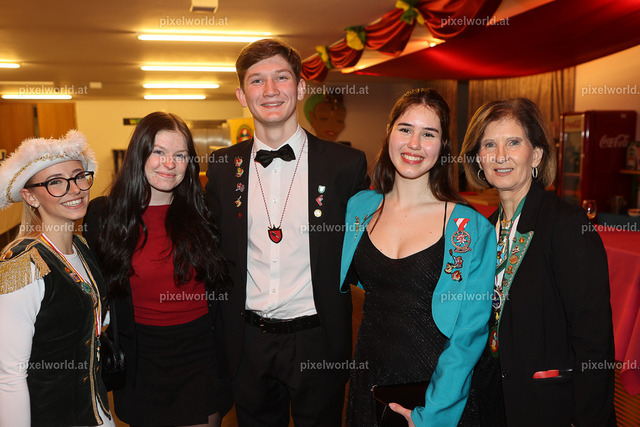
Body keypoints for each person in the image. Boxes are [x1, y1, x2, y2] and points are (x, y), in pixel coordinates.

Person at [205, 38, 370, 426]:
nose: (270, 90)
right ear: (242, 96)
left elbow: (368, 245)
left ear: (300, 88)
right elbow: (209, 249)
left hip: (318, 338)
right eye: (256, 80)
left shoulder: (345, 165)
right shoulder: (222, 166)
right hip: (247, 341)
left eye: (281, 77)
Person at [340, 88, 495, 426]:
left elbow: (469, 335)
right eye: (405, 129)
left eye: (429, 134)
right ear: (389, 132)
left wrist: (434, 414)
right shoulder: (359, 208)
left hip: (435, 391)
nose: (414, 143)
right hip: (369, 378)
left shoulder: (469, 228)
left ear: (443, 147)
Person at [460, 98, 616, 426]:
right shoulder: (484, 230)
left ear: (537, 155)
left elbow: (593, 338)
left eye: (513, 142)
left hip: (551, 405)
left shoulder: (567, 225)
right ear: (478, 159)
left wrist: (590, 420)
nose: (500, 156)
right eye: (489, 144)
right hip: (493, 401)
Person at [83, 112, 231, 427]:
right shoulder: (104, 216)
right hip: (141, 358)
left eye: (180, 155)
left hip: (200, 354)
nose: (169, 163)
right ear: (139, 154)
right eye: (159, 151)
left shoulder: (205, 212)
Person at [0, 131, 115, 427]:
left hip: (97, 411)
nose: (74, 189)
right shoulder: (23, 264)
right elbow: (10, 376)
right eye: (55, 182)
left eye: (78, 177)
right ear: (30, 196)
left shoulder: (83, 247)